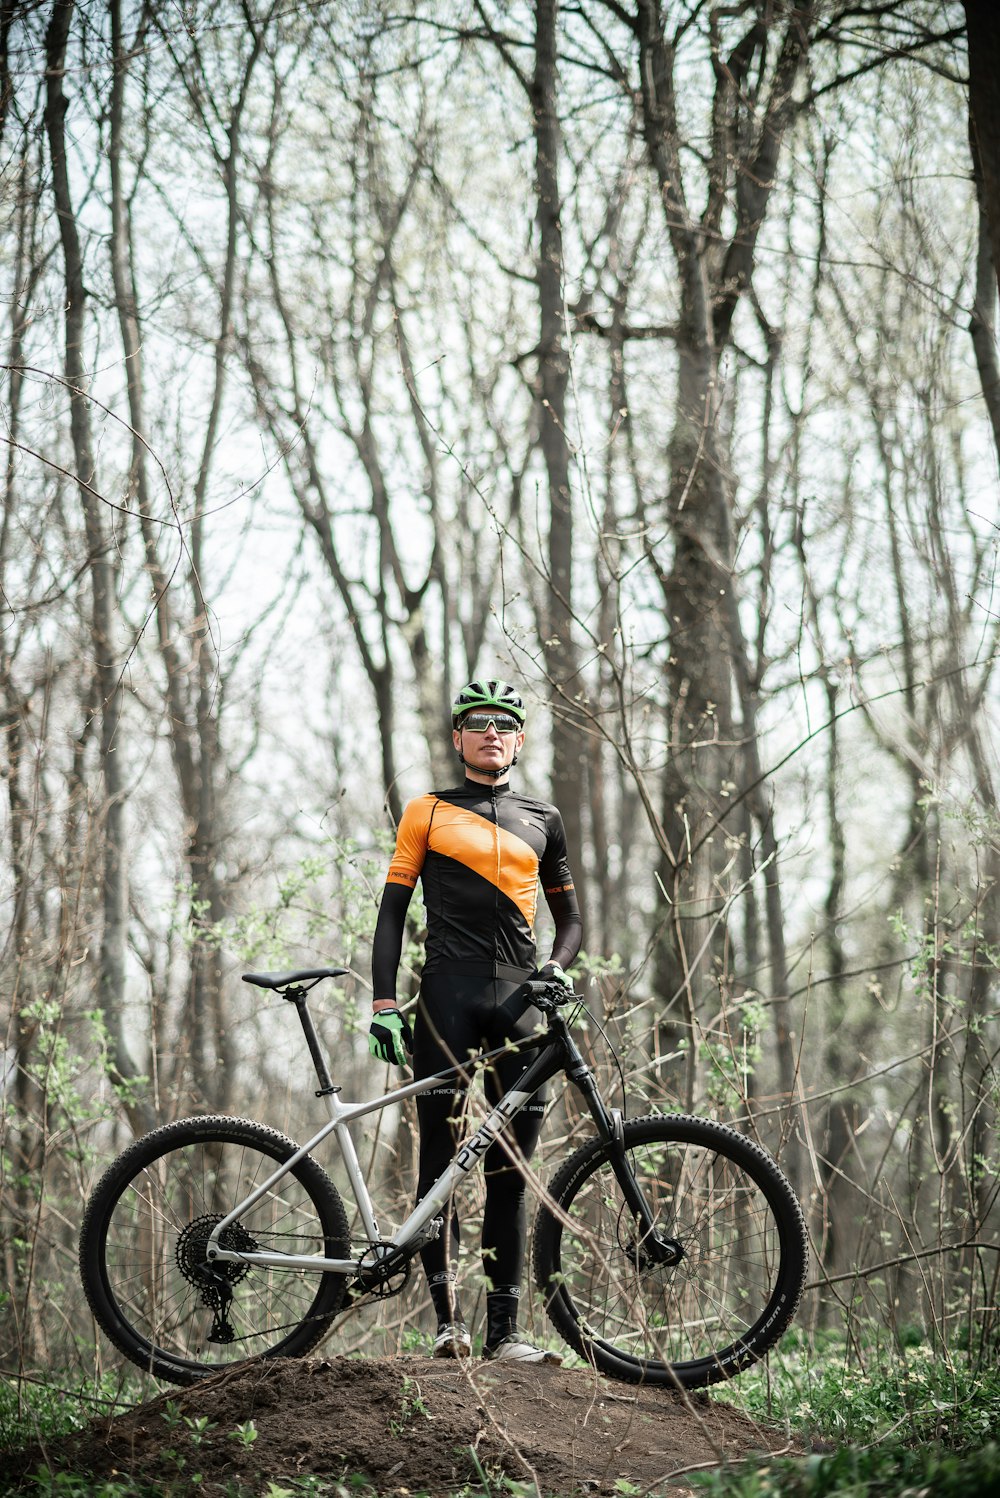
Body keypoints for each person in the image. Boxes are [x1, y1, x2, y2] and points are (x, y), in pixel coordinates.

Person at [368, 679, 583, 1363]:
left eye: (505, 724)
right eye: (477, 722)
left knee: (511, 1169)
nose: (492, 732)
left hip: (521, 1002)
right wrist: (381, 1003)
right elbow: (393, 911)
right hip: (445, 998)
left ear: (519, 739)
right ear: (458, 737)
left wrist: (555, 968)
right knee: (440, 1162)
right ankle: (446, 1326)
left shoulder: (543, 817)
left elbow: (572, 920)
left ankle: (507, 1335)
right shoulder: (427, 810)